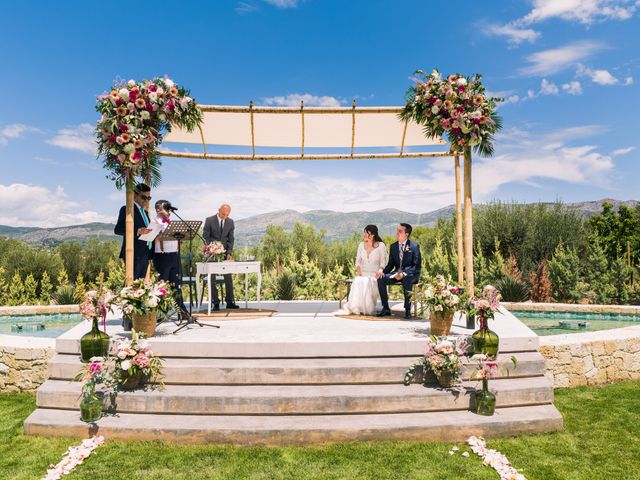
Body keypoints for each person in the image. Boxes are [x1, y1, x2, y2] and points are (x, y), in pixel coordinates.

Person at [114, 183, 154, 329]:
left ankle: (139, 317)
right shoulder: (126, 209)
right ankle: (128, 319)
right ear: (135, 195)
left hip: (144, 253)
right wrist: (138, 230)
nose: (146, 200)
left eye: (149, 198)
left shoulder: (145, 213)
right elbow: (118, 229)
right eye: (144, 197)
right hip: (133, 253)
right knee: (130, 287)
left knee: (141, 287)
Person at [152, 200, 189, 320]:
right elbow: (151, 238)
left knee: (176, 285)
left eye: (169, 209)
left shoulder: (170, 222)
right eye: (166, 209)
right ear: (158, 210)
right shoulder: (154, 222)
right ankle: (160, 313)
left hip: (174, 256)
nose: (169, 211)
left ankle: (182, 311)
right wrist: (160, 236)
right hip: (162, 256)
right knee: (161, 286)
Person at [376, 223, 422, 319]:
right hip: (396, 274)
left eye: (400, 231)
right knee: (381, 278)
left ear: (407, 234)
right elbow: (390, 265)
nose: (397, 233)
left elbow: (416, 266)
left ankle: (407, 309)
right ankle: (385, 308)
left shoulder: (414, 246)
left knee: (407, 279)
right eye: (397, 230)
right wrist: (382, 272)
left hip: (411, 274)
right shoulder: (393, 246)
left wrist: (404, 273)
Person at [342, 225, 387, 315]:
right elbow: (357, 261)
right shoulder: (361, 245)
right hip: (363, 273)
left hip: (375, 274)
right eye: (365, 232)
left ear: (373, 234)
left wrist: (381, 270)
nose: (365, 234)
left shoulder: (381, 245)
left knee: (367, 282)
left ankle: (368, 308)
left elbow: (383, 262)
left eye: (367, 233)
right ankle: (357, 307)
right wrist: (359, 271)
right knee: (358, 280)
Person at [203, 203, 239, 310]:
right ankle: (215, 302)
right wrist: (211, 249)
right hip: (211, 254)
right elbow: (206, 236)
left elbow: (231, 239)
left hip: (224, 253)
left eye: (227, 215)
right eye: (223, 214)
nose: (224, 216)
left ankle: (230, 302)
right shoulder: (209, 220)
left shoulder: (230, 222)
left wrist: (229, 253)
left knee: (228, 277)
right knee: (212, 278)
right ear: (219, 210)